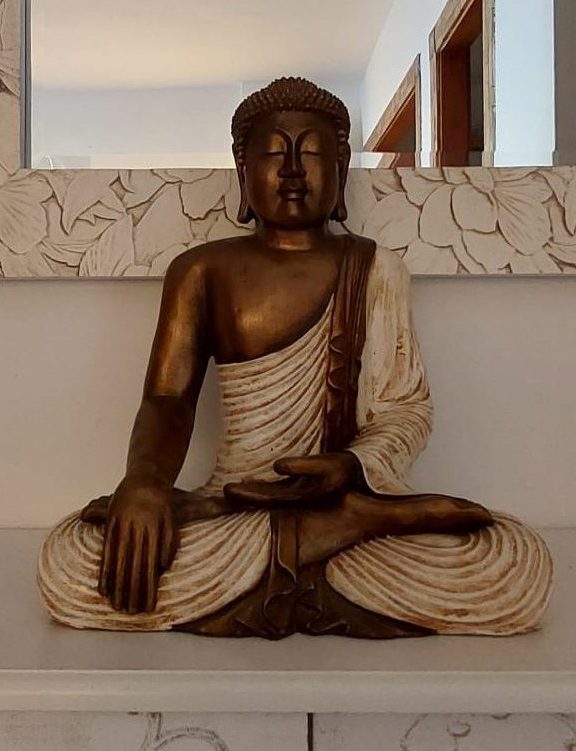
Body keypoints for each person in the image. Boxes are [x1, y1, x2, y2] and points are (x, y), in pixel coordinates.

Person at [38, 78, 552, 638]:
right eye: (271, 154)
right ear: (242, 170)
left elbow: (405, 409)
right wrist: (144, 481)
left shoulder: (375, 269)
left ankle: (345, 524)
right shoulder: (201, 270)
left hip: (340, 495)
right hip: (236, 504)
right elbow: (167, 399)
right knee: (70, 558)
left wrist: (350, 467)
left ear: (340, 167)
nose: (290, 171)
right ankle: (329, 537)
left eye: (309, 154)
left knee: (513, 561)